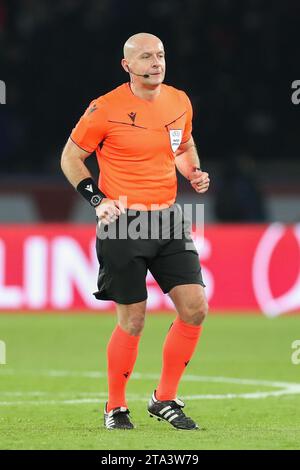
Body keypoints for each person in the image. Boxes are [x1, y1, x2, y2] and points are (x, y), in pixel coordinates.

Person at [61, 32, 210, 431]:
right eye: (145, 57)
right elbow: (72, 156)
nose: (156, 62)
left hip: (167, 218)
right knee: (134, 320)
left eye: (160, 55)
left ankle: (164, 398)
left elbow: (182, 146)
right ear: (127, 65)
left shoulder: (179, 101)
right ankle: (115, 406)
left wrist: (192, 172)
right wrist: (96, 199)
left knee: (195, 307)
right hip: (123, 221)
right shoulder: (105, 108)